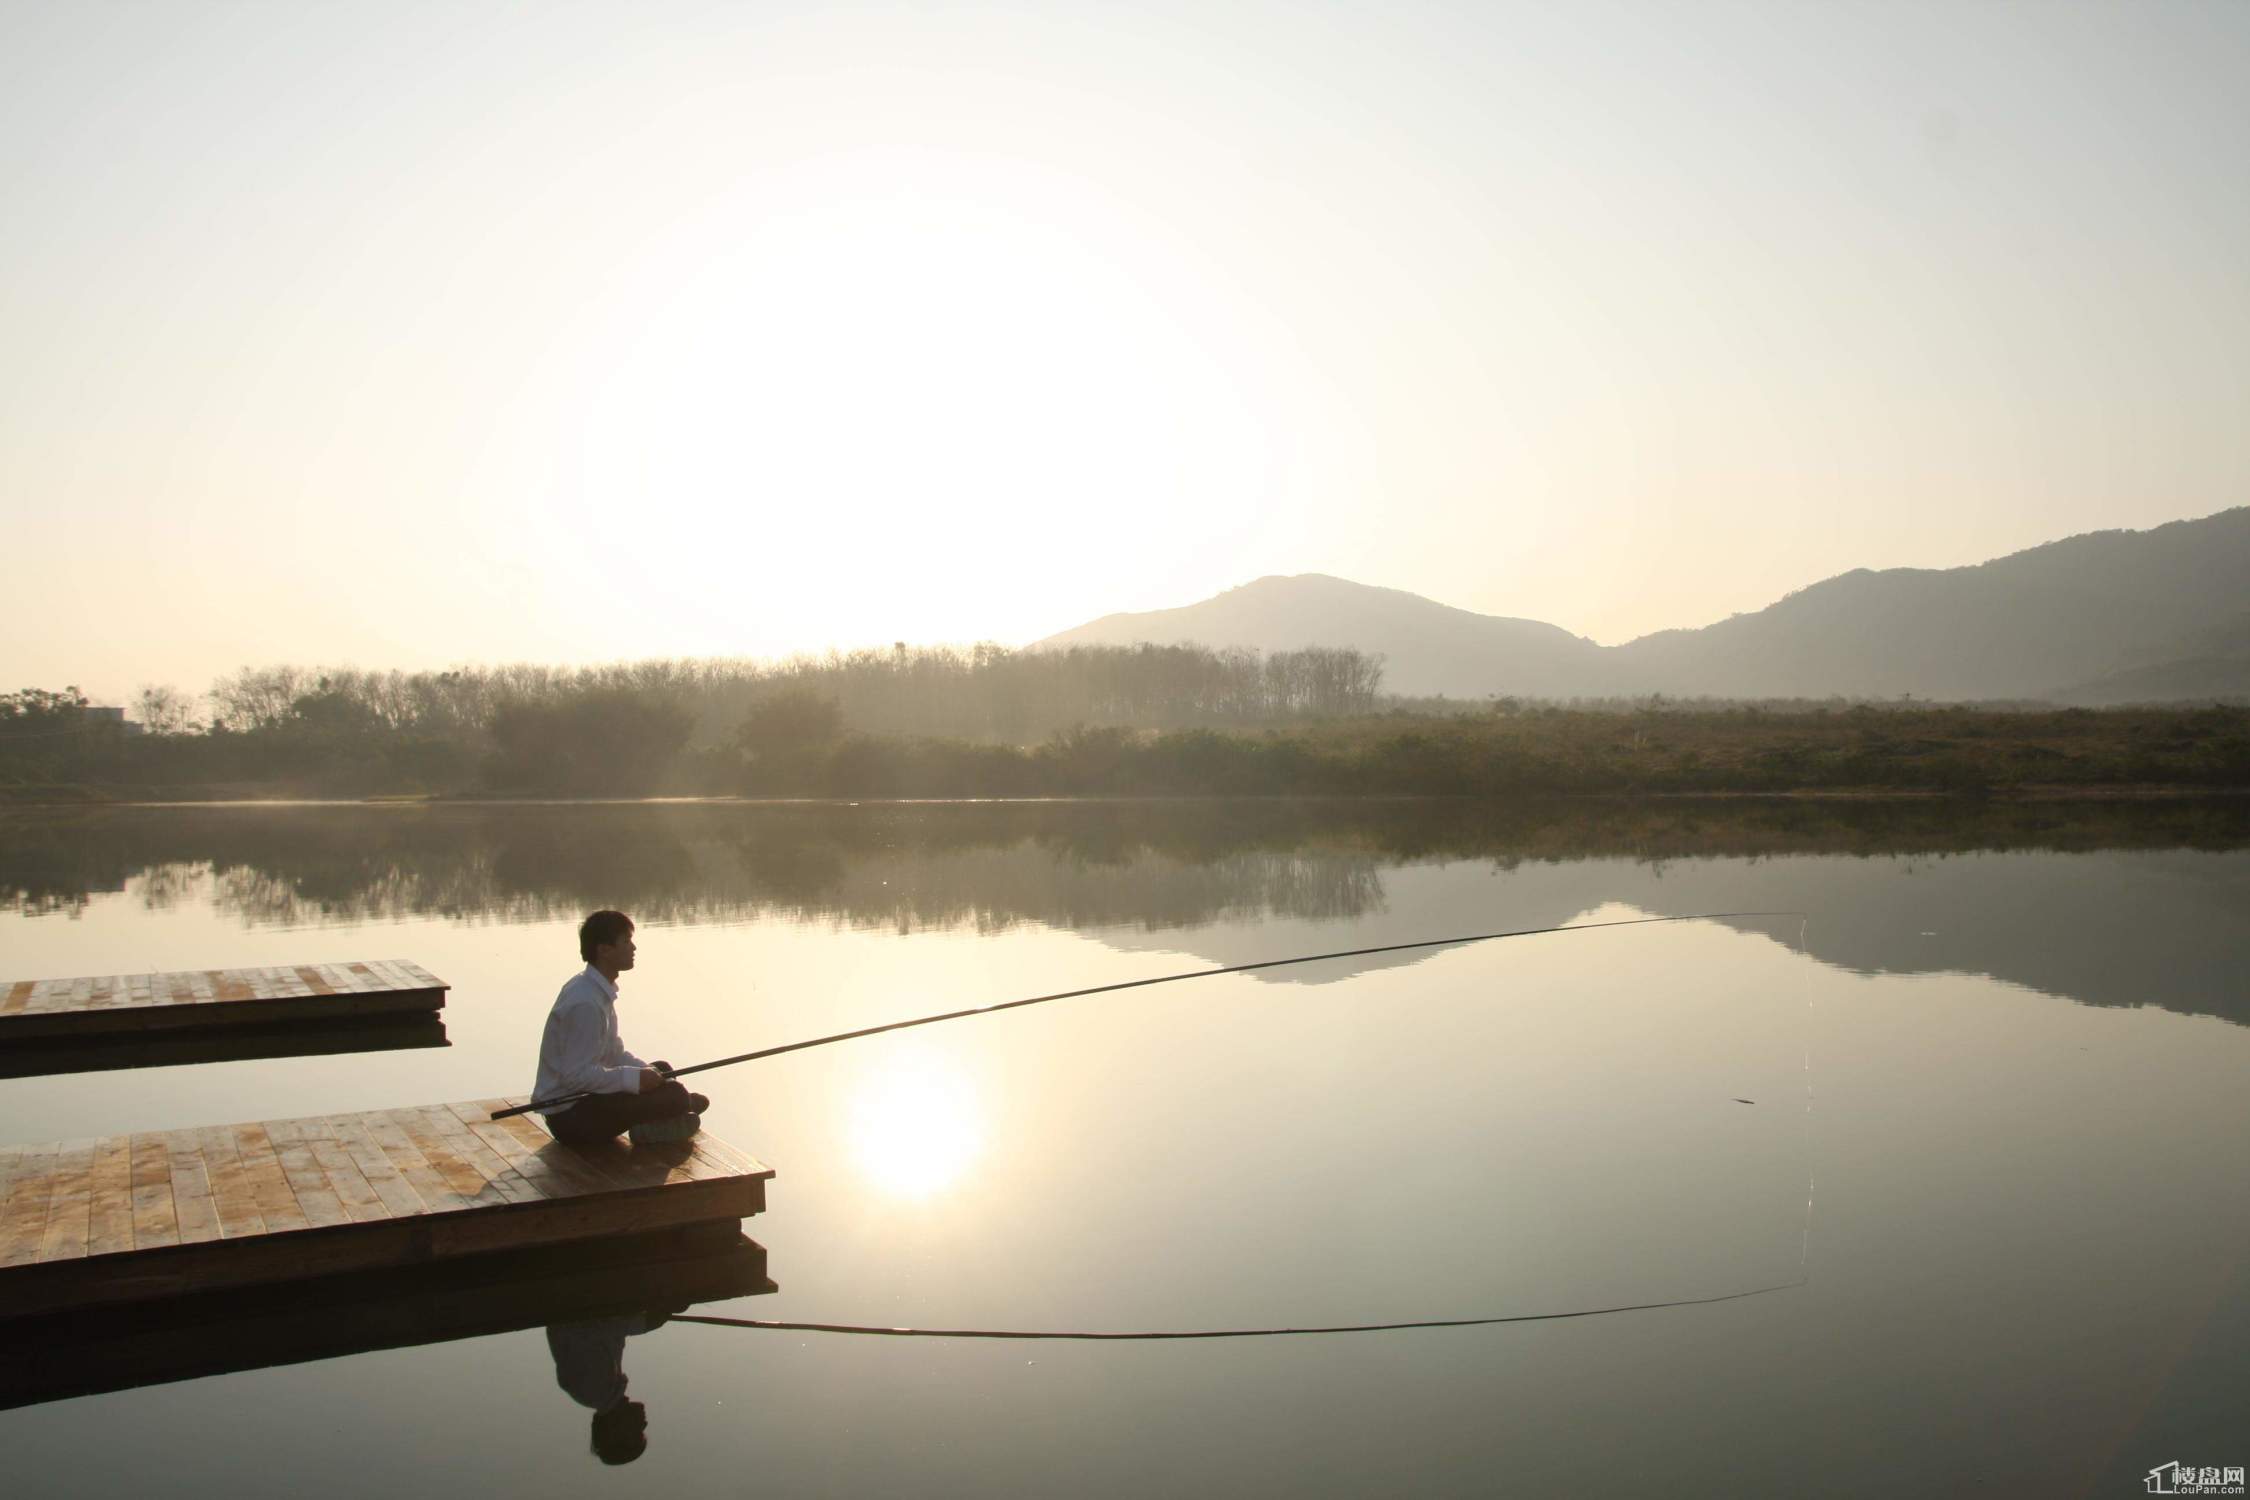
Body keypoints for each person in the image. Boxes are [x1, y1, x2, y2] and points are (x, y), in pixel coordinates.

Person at [535, 909, 709, 1146]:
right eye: (626, 942)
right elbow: (576, 1076)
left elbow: (613, 1055)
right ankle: (666, 1117)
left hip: (584, 1102)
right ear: (604, 950)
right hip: (571, 1118)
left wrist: (647, 1073)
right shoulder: (585, 1003)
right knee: (674, 1094)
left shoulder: (595, 990)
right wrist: (634, 1079)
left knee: (663, 1070)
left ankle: (672, 1111)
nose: (633, 948)